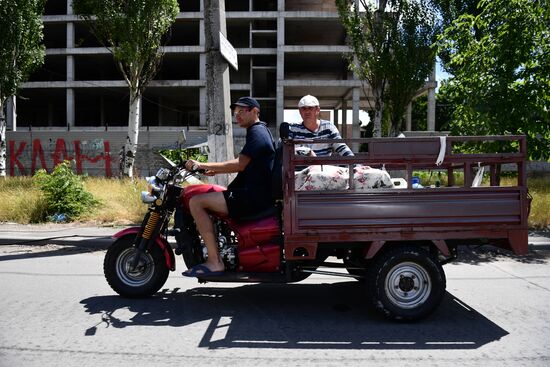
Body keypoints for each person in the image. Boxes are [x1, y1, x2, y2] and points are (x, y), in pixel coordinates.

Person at [183, 97, 275, 277]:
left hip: (252, 196)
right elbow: (246, 166)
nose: (237, 115)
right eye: (235, 112)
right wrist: (214, 171)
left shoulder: (257, 132)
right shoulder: (259, 131)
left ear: (255, 111)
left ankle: (214, 262)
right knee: (210, 195)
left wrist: (202, 165)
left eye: (243, 111)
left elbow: (239, 164)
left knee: (196, 202)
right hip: (254, 193)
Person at [289, 94, 354, 157]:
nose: (307, 111)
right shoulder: (293, 129)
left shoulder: (328, 127)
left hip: (322, 167)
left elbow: (341, 147)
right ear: (299, 111)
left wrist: (354, 163)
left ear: (318, 110)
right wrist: (308, 152)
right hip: (300, 168)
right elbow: (285, 150)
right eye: (303, 108)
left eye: (310, 108)